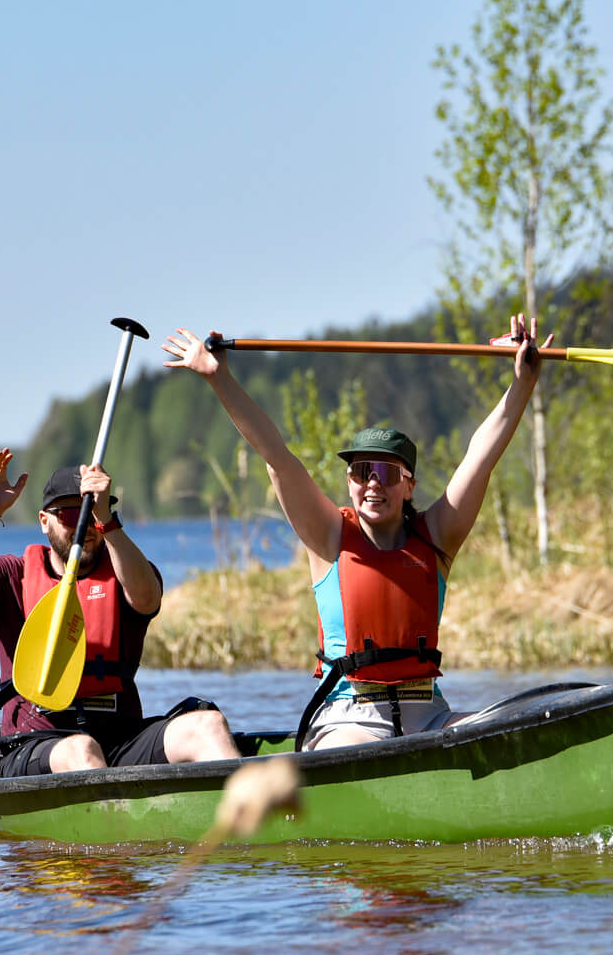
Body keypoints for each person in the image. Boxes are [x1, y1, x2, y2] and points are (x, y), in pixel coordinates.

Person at [163, 314, 547, 750]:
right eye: (362, 472)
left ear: (409, 486)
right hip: (348, 718)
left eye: (387, 472)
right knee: (355, 749)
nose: (374, 484)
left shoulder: (438, 535)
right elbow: (275, 455)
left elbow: (480, 458)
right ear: (350, 482)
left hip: (429, 714)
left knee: (507, 724)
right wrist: (219, 379)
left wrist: (522, 385)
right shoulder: (328, 537)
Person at [0, 455, 240, 776]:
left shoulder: (127, 572)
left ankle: (242, 804)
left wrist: (108, 521)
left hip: (120, 740)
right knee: (82, 750)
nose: (84, 526)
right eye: (69, 514)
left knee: (208, 725)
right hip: (34, 743)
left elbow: (147, 599)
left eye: (92, 513)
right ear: (44, 521)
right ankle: (112, 808)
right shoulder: (12, 575)